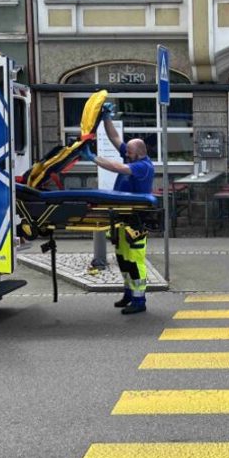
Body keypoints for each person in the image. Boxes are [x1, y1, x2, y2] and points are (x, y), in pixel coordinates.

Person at [83, 117, 155, 315]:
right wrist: (106, 119)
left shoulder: (143, 167)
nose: (126, 154)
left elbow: (117, 167)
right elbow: (115, 138)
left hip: (136, 220)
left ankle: (140, 300)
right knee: (122, 258)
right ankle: (129, 293)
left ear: (138, 153)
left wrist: (93, 158)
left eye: (129, 152)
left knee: (134, 260)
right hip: (122, 218)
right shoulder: (133, 157)